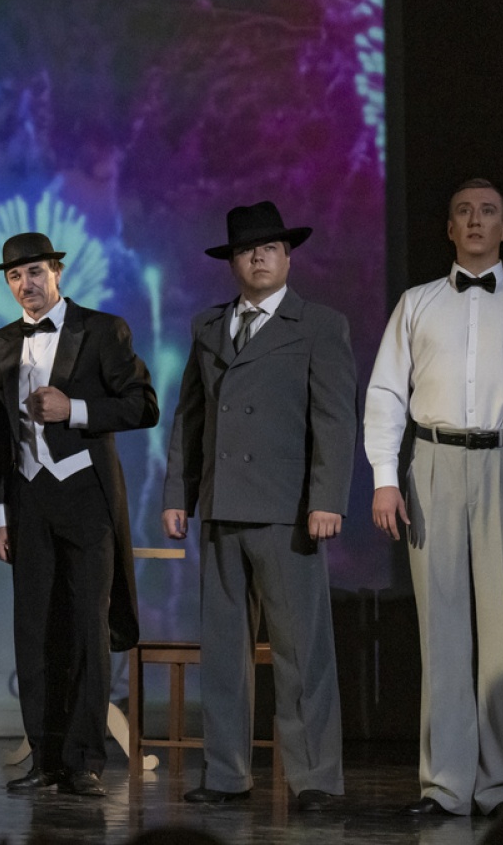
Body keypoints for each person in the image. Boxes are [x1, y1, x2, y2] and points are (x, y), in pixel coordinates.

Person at [365, 177, 503, 817]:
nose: (475, 220)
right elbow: (386, 393)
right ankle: (446, 786)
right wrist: (385, 477)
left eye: (488, 212)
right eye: (463, 211)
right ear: (449, 228)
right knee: (443, 632)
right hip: (434, 464)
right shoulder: (417, 303)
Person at [161, 201, 354, 812]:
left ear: (287, 257)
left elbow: (334, 419)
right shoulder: (209, 326)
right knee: (223, 651)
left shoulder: (318, 324)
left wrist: (327, 499)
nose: (259, 257)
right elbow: (190, 417)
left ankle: (315, 778)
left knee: (301, 652)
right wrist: (178, 494)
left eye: (270, 247)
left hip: (287, 511)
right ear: (233, 262)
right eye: (247, 249)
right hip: (221, 506)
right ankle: (226, 774)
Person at [0, 231, 158, 796]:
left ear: (57, 271)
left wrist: (74, 408)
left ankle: (85, 761)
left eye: (34, 272)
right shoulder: (1, 342)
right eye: (15, 276)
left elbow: (143, 405)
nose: (25, 284)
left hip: (86, 497)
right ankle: (46, 758)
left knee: (87, 628)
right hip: (29, 500)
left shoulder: (103, 330)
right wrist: (1, 514)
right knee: (35, 633)